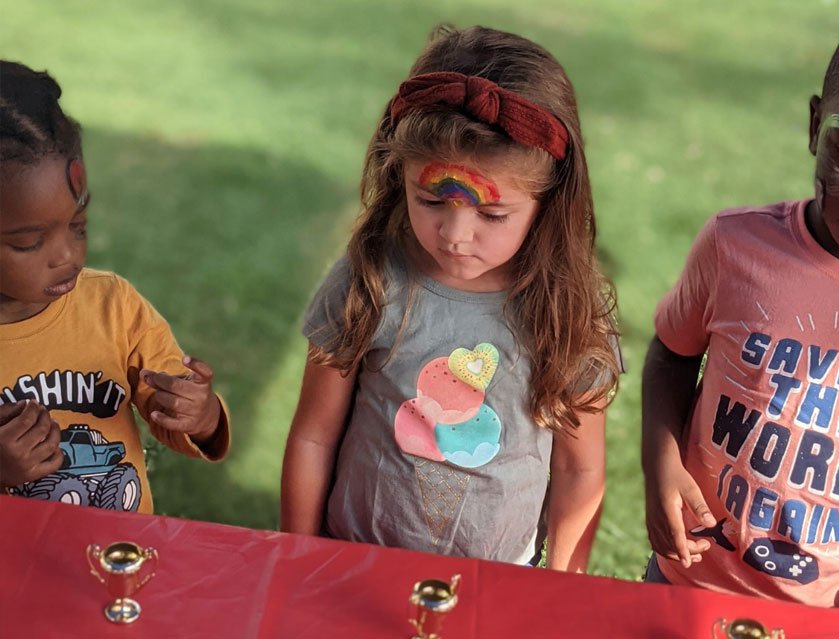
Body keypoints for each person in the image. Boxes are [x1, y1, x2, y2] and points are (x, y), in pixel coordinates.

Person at [280, 25, 621, 572]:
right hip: (353, 561)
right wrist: (297, 556)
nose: (456, 235)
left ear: (548, 201)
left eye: (492, 214)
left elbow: (580, 472)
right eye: (431, 200)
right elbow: (314, 438)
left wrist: (562, 589)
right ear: (399, 174)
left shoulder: (567, 311)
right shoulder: (370, 279)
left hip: (500, 580)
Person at [641, 0, 839, 609]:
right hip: (693, 580)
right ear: (815, 126)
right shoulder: (735, 247)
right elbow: (673, 354)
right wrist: (661, 462)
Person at [0, 60, 230, 513]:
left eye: (78, 226)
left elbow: (170, 410)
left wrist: (200, 415)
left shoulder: (114, 307)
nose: (67, 255)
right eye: (29, 242)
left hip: (116, 548)